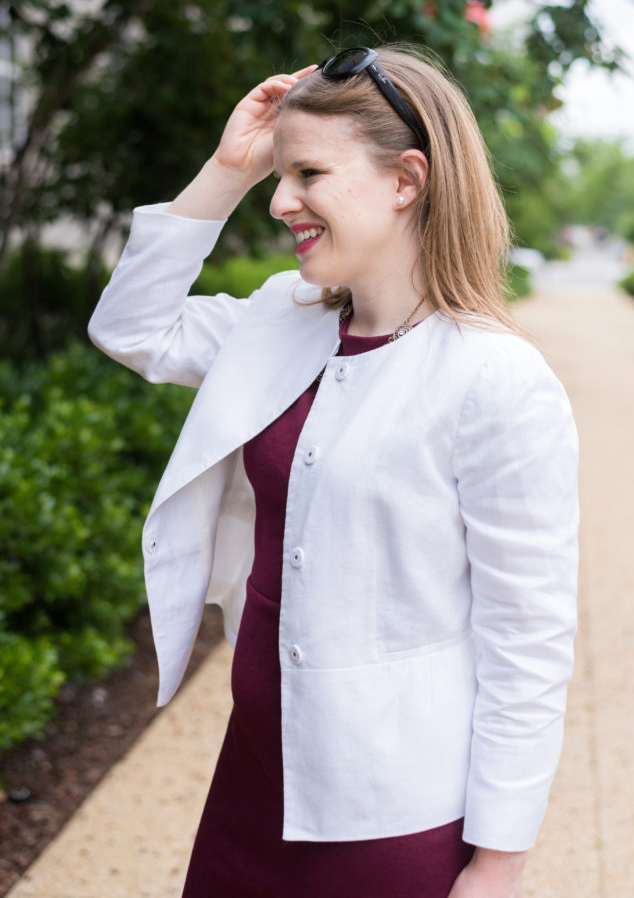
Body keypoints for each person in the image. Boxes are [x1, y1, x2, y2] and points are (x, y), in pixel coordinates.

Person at [89, 44, 579, 898]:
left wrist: (499, 863)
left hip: (393, 815)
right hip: (255, 777)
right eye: (280, 175)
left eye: (309, 172)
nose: (282, 202)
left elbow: (527, 640)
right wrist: (226, 168)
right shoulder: (283, 317)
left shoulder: (498, 383)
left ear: (407, 180)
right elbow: (131, 325)